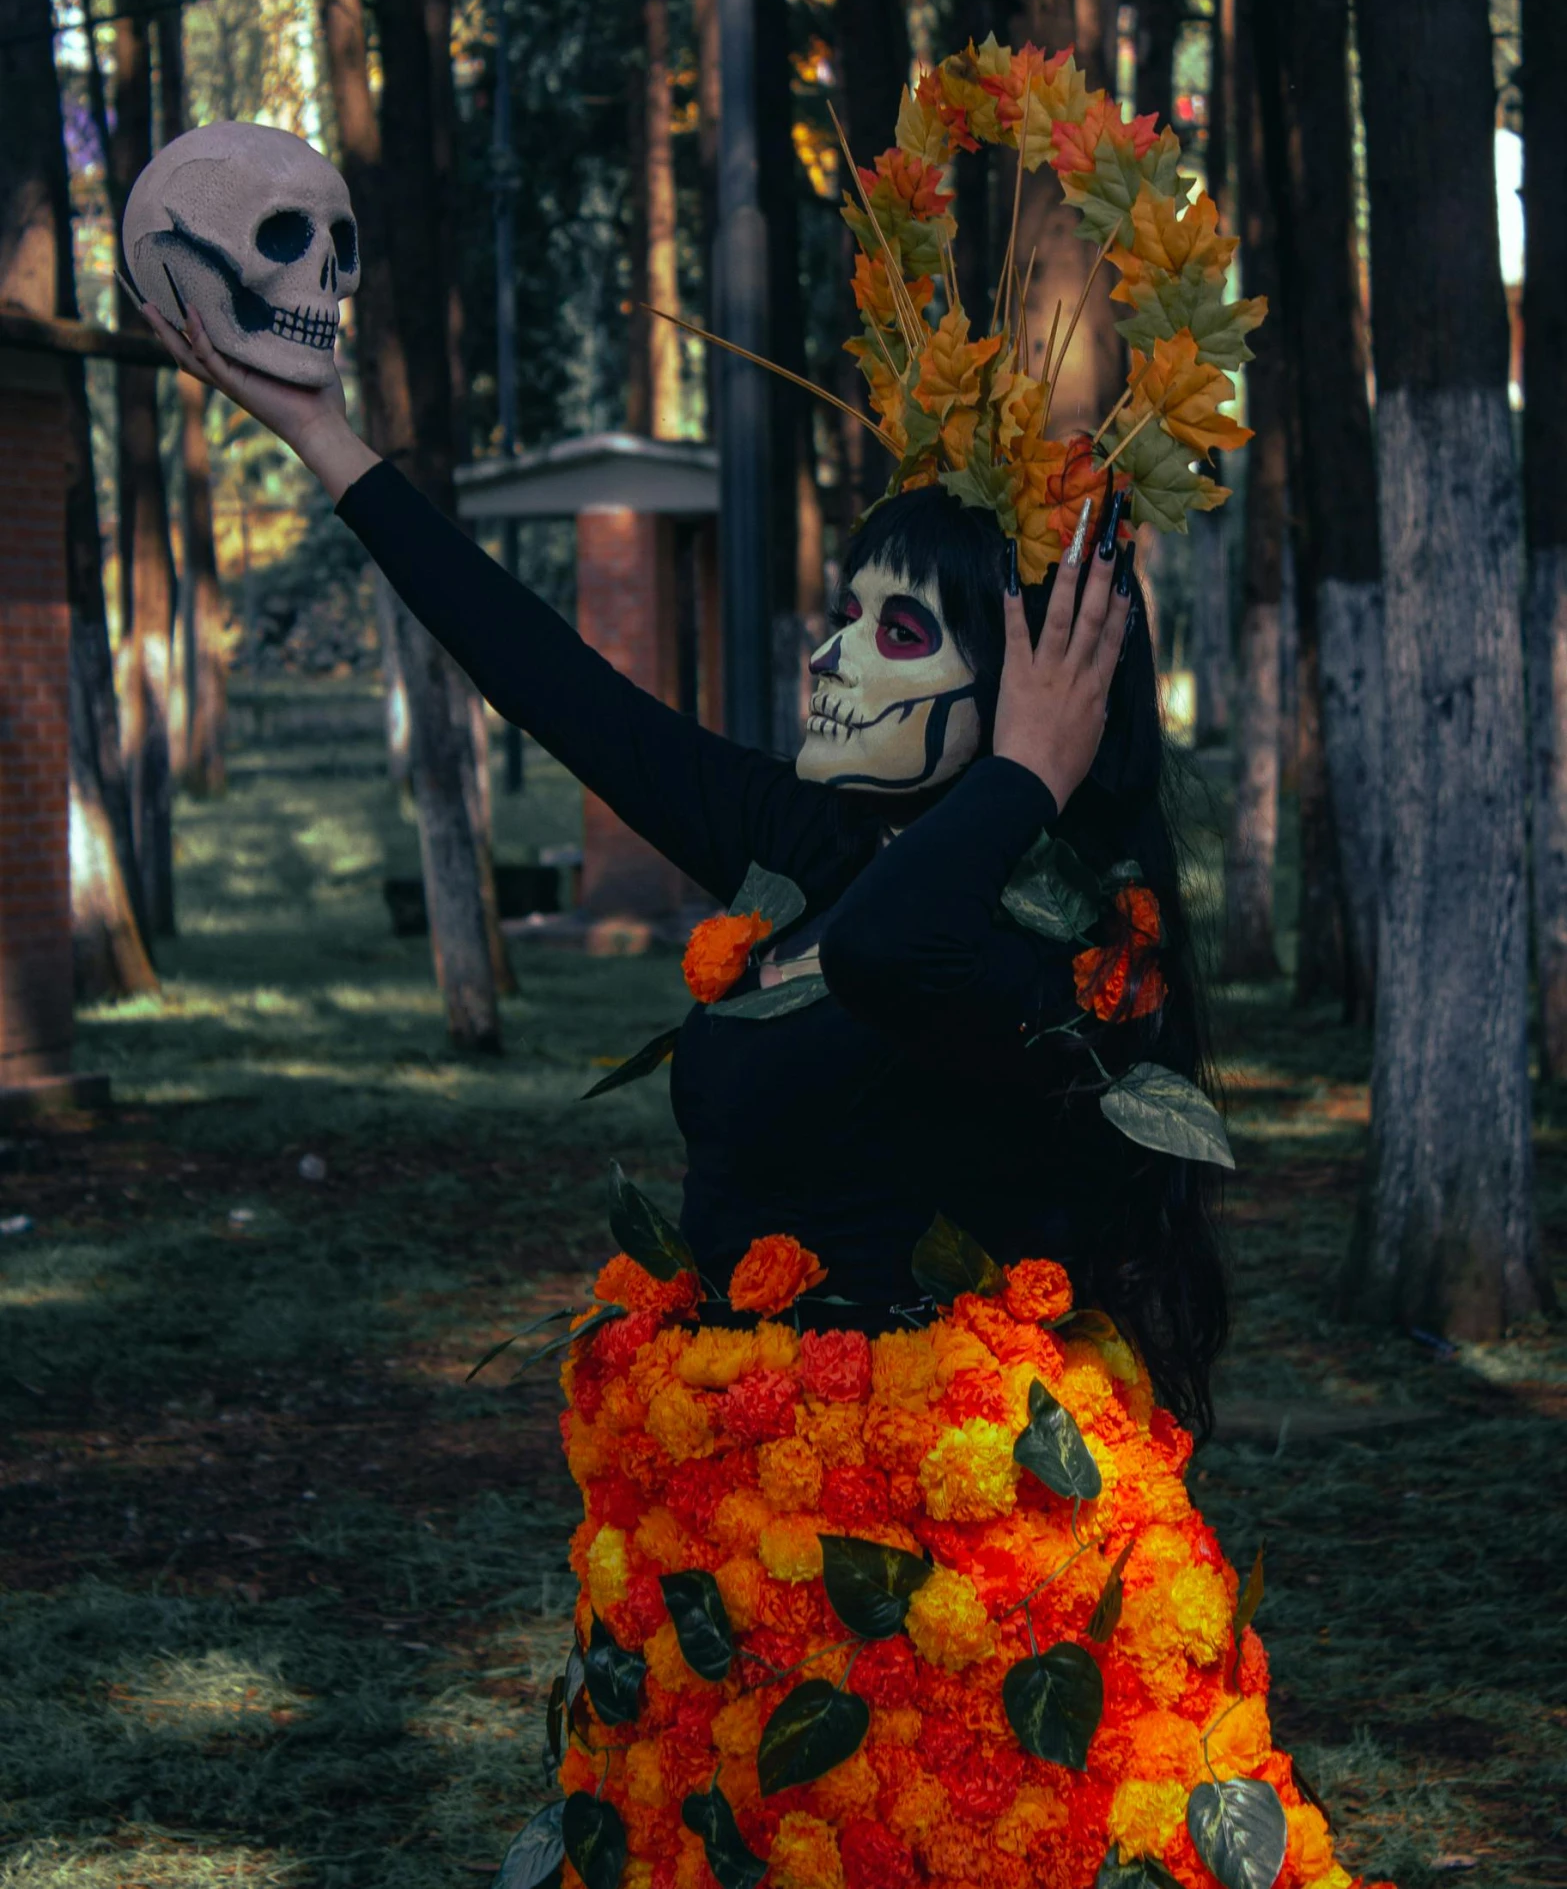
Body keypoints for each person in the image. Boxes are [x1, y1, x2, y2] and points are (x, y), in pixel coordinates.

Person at [136, 295, 1381, 1889]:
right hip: (738, 1544)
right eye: (845, 609)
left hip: (941, 1586)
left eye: (898, 627)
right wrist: (322, 431)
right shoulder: (815, 840)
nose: (829, 649)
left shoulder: (1048, 938)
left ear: (1029, 696)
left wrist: (1021, 774)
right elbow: (557, 686)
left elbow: (883, 956)